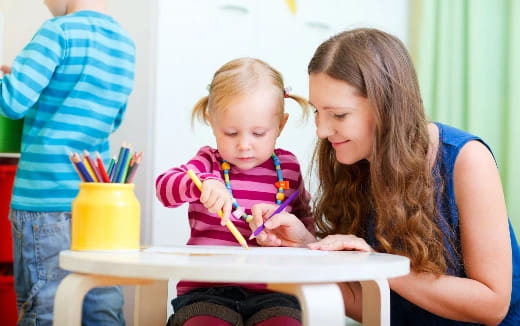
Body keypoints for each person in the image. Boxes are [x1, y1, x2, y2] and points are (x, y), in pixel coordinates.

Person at [250, 28, 520, 325]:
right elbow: (372, 308)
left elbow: (492, 306)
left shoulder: (466, 159)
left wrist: (377, 265)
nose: (322, 131)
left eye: (339, 115)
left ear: (387, 107)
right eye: (318, 111)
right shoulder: (352, 162)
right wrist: (306, 249)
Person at [0, 0, 135, 325]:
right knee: (100, 305)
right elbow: (112, 119)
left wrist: (10, 81)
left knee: (45, 307)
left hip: (44, 200)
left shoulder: (57, 32)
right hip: (96, 203)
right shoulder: (123, 42)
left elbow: (12, 101)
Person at [155, 57, 313, 326]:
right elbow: (164, 188)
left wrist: (294, 238)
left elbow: (307, 232)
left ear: (280, 126)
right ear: (212, 123)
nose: (244, 145)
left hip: (275, 293)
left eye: (258, 133)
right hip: (205, 292)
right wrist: (201, 184)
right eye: (231, 133)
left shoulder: (287, 168)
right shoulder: (208, 162)